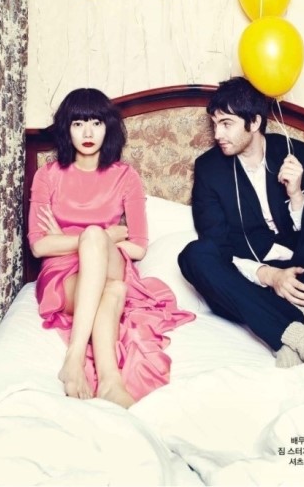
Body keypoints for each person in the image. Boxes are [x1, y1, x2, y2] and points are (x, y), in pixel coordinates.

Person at [28, 88, 194, 408]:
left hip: (111, 262)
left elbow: (139, 248)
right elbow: (38, 246)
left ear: (108, 128)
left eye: (96, 123)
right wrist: (104, 236)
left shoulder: (125, 176)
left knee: (97, 244)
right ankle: (109, 381)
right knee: (114, 289)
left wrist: (92, 241)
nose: (88, 133)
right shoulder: (48, 176)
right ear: (67, 129)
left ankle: (74, 358)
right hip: (62, 274)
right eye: (78, 124)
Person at [178, 77, 304, 368]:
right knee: (194, 255)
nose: (217, 134)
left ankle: (281, 318)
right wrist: (268, 275)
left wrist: (296, 195)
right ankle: (298, 335)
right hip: (248, 281)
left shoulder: (300, 154)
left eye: (226, 124)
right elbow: (216, 243)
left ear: (254, 121)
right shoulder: (209, 168)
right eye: (214, 124)